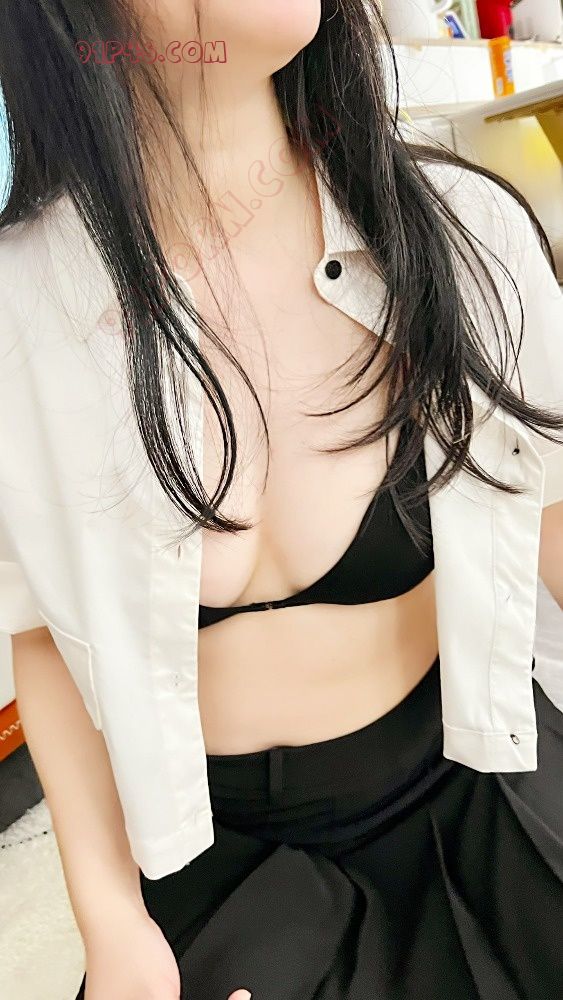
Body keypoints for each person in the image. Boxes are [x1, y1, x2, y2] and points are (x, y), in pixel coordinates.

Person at [0, 2, 562, 999]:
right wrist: (111, 921)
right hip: (209, 858)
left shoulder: (463, 229)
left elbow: (554, 517)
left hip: (479, 773)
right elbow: (37, 631)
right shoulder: (19, 311)